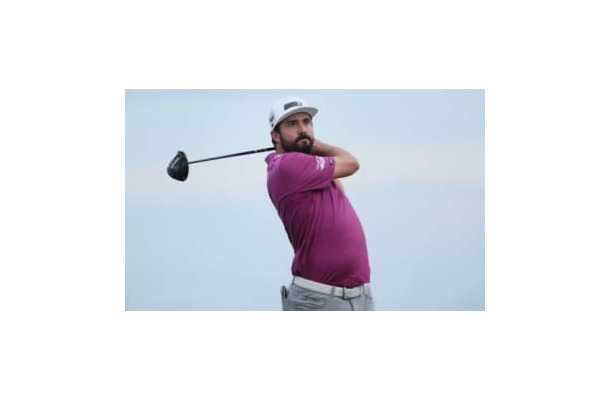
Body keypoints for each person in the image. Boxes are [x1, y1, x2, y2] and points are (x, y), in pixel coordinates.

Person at [265, 95, 374, 311]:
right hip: (319, 298)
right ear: (275, 135)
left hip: (358, 296)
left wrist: (307, 146)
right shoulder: (287, 166)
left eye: (307, 122)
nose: (302, 129)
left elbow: (339, 189)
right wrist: (317, 144)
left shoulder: (307, 166)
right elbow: (352, 163)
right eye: (292, 124)